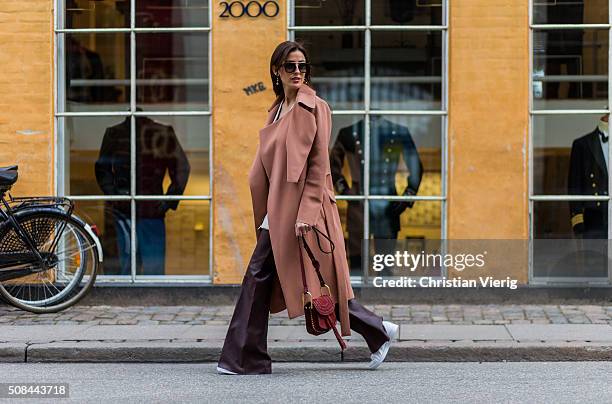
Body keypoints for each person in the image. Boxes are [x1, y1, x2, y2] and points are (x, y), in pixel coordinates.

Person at [216, 41, 398, 375]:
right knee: (295, 281)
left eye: (302, 66)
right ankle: (378, 330)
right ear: (277, 71)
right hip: (280, 210)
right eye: (290, 66)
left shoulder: (315, 107)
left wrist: (306, 215)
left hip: (304, 214)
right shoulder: (276, 109)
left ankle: (245, 357)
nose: (297, 72)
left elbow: (319, 167)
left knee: (282, 279)